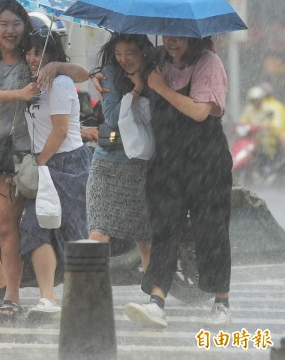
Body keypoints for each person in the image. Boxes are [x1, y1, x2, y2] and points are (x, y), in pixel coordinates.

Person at [0, 0, 88, 322]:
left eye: (16, 24)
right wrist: (19, 94)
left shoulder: (32, 55)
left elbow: (80, 75)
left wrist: (55, 67)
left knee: (5, 223)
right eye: (3, 23)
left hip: (16, 151)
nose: (10, 30)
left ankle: (12, 295)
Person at [124, 35, 233, 328]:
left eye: (180, 36)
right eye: (168, 34)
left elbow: (200, 111)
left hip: (206, 160)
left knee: (211, 229)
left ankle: (221, 300)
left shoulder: (208, 62)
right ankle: (157, 301)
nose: (172, 41)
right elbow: (132, 73)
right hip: (167, 161)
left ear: (195, 37)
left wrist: (161, 87)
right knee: (164, 228)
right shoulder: (158, 60)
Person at [21, 29, 91, 318]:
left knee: (72, 232)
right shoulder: (33, 83)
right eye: (29, 51)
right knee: (36, 230)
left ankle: (83, 298)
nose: (32, 57)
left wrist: (39, 161)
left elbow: (61, 131)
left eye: (39, 52)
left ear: (52, 54)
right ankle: (47, 298)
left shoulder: (60, 82)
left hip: (67, 163)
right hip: (46, 163)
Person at [86, 33, 154, 273]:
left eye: (130, 53)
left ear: (144, 51)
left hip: (140, 166)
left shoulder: (157, 72)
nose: (124, 59)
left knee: (143, 234)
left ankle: (152, 293)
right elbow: (113, 117)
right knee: (98, 230)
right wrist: (136, 90)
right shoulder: (110, 74)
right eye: (118, 53)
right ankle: (88, 296)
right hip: (107, 163)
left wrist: (148, 86)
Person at [239, 84, 285, 161]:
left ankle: (269, 161)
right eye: (253, 99)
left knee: (266, 143)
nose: (255, 102)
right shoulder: (248, 109)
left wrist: (269, 128)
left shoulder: (270, 108)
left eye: (257, 99)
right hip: (252, 136)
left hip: (267, 135)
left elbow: (276, 123)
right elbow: (243, 122)